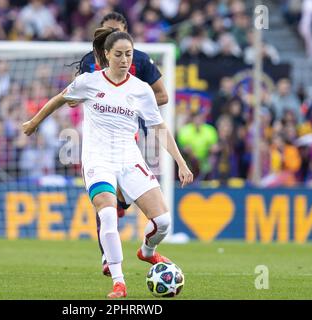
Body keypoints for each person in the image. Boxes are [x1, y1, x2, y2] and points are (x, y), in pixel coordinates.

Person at [23, 28, 193, 298]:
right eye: (119, 55)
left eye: (128, 54)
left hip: (129, 158)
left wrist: (181, 163)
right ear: (106, 55)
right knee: (108, 214)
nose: (125, 60)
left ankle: (146, 252)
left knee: (162, 222)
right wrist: (34, 123)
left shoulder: (141, 90)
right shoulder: (89, 82)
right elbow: (59, 99)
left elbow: (160, 127)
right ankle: (119, 282)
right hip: (97, 159)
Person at [69, 12, 169, 277]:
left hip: (129, 135)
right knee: (106, 204)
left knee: (123, 201)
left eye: (117, 29)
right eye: (107, 31)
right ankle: (109, 259)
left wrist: (128, 104)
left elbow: (162, 95)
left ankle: (125, 211)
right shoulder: (90, 62)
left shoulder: (141, 61)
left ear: (126, 31)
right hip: (97, 136)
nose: (113, 35)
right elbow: (73, 96)